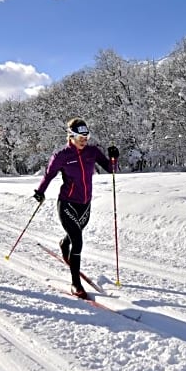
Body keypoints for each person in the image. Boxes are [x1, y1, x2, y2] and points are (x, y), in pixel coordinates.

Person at [33, 118, 119, 299]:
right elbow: (48, 176)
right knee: (78, 240)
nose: (84, 140)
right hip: (67, 204)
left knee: (74, 235)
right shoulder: (61, 156)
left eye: (87, 136)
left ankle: (64, 243)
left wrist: (113, 158)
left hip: (85, 205)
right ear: (71, 136)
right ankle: (75, 283)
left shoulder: (92, 152)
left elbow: (112, 169)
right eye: (80, 136)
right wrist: (40, 192)